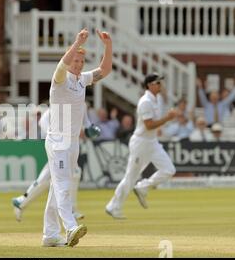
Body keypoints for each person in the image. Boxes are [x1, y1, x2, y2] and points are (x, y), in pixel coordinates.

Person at [43, 28, 112, 247]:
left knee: (57, 188)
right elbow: (62, 65)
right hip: (58, 141)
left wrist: (108, 46)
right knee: (63, 185)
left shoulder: (82, 79)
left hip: (73, 142)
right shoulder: (60, 79)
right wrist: (76, 43)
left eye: (82, 61)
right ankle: (70, 226)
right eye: (76, 60)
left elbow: (105, 70)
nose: (79, 64)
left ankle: (50, 235)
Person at [105, 73, 178, 219]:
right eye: (158, 83)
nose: (160, 85)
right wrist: (167, 119)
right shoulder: (145, 101)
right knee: (130, 177)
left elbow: (153, 124)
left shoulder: (155, 100)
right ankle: (113, 206)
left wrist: (162, 123)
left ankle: (143, 187)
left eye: (160, 83)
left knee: (169, 170)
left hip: (152, 142)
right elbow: (149, 125)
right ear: (149, 85)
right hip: (141, 143)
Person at [12, 106, 101, 222]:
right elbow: (43, 122)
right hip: (57, 145)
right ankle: (71, 210)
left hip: (69, 146)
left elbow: (86, 124)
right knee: (73, 172)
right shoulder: (59, 104)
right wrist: (57, 136)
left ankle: (21, 201)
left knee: (48, 177)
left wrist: (90, 130)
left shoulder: (81, 104)